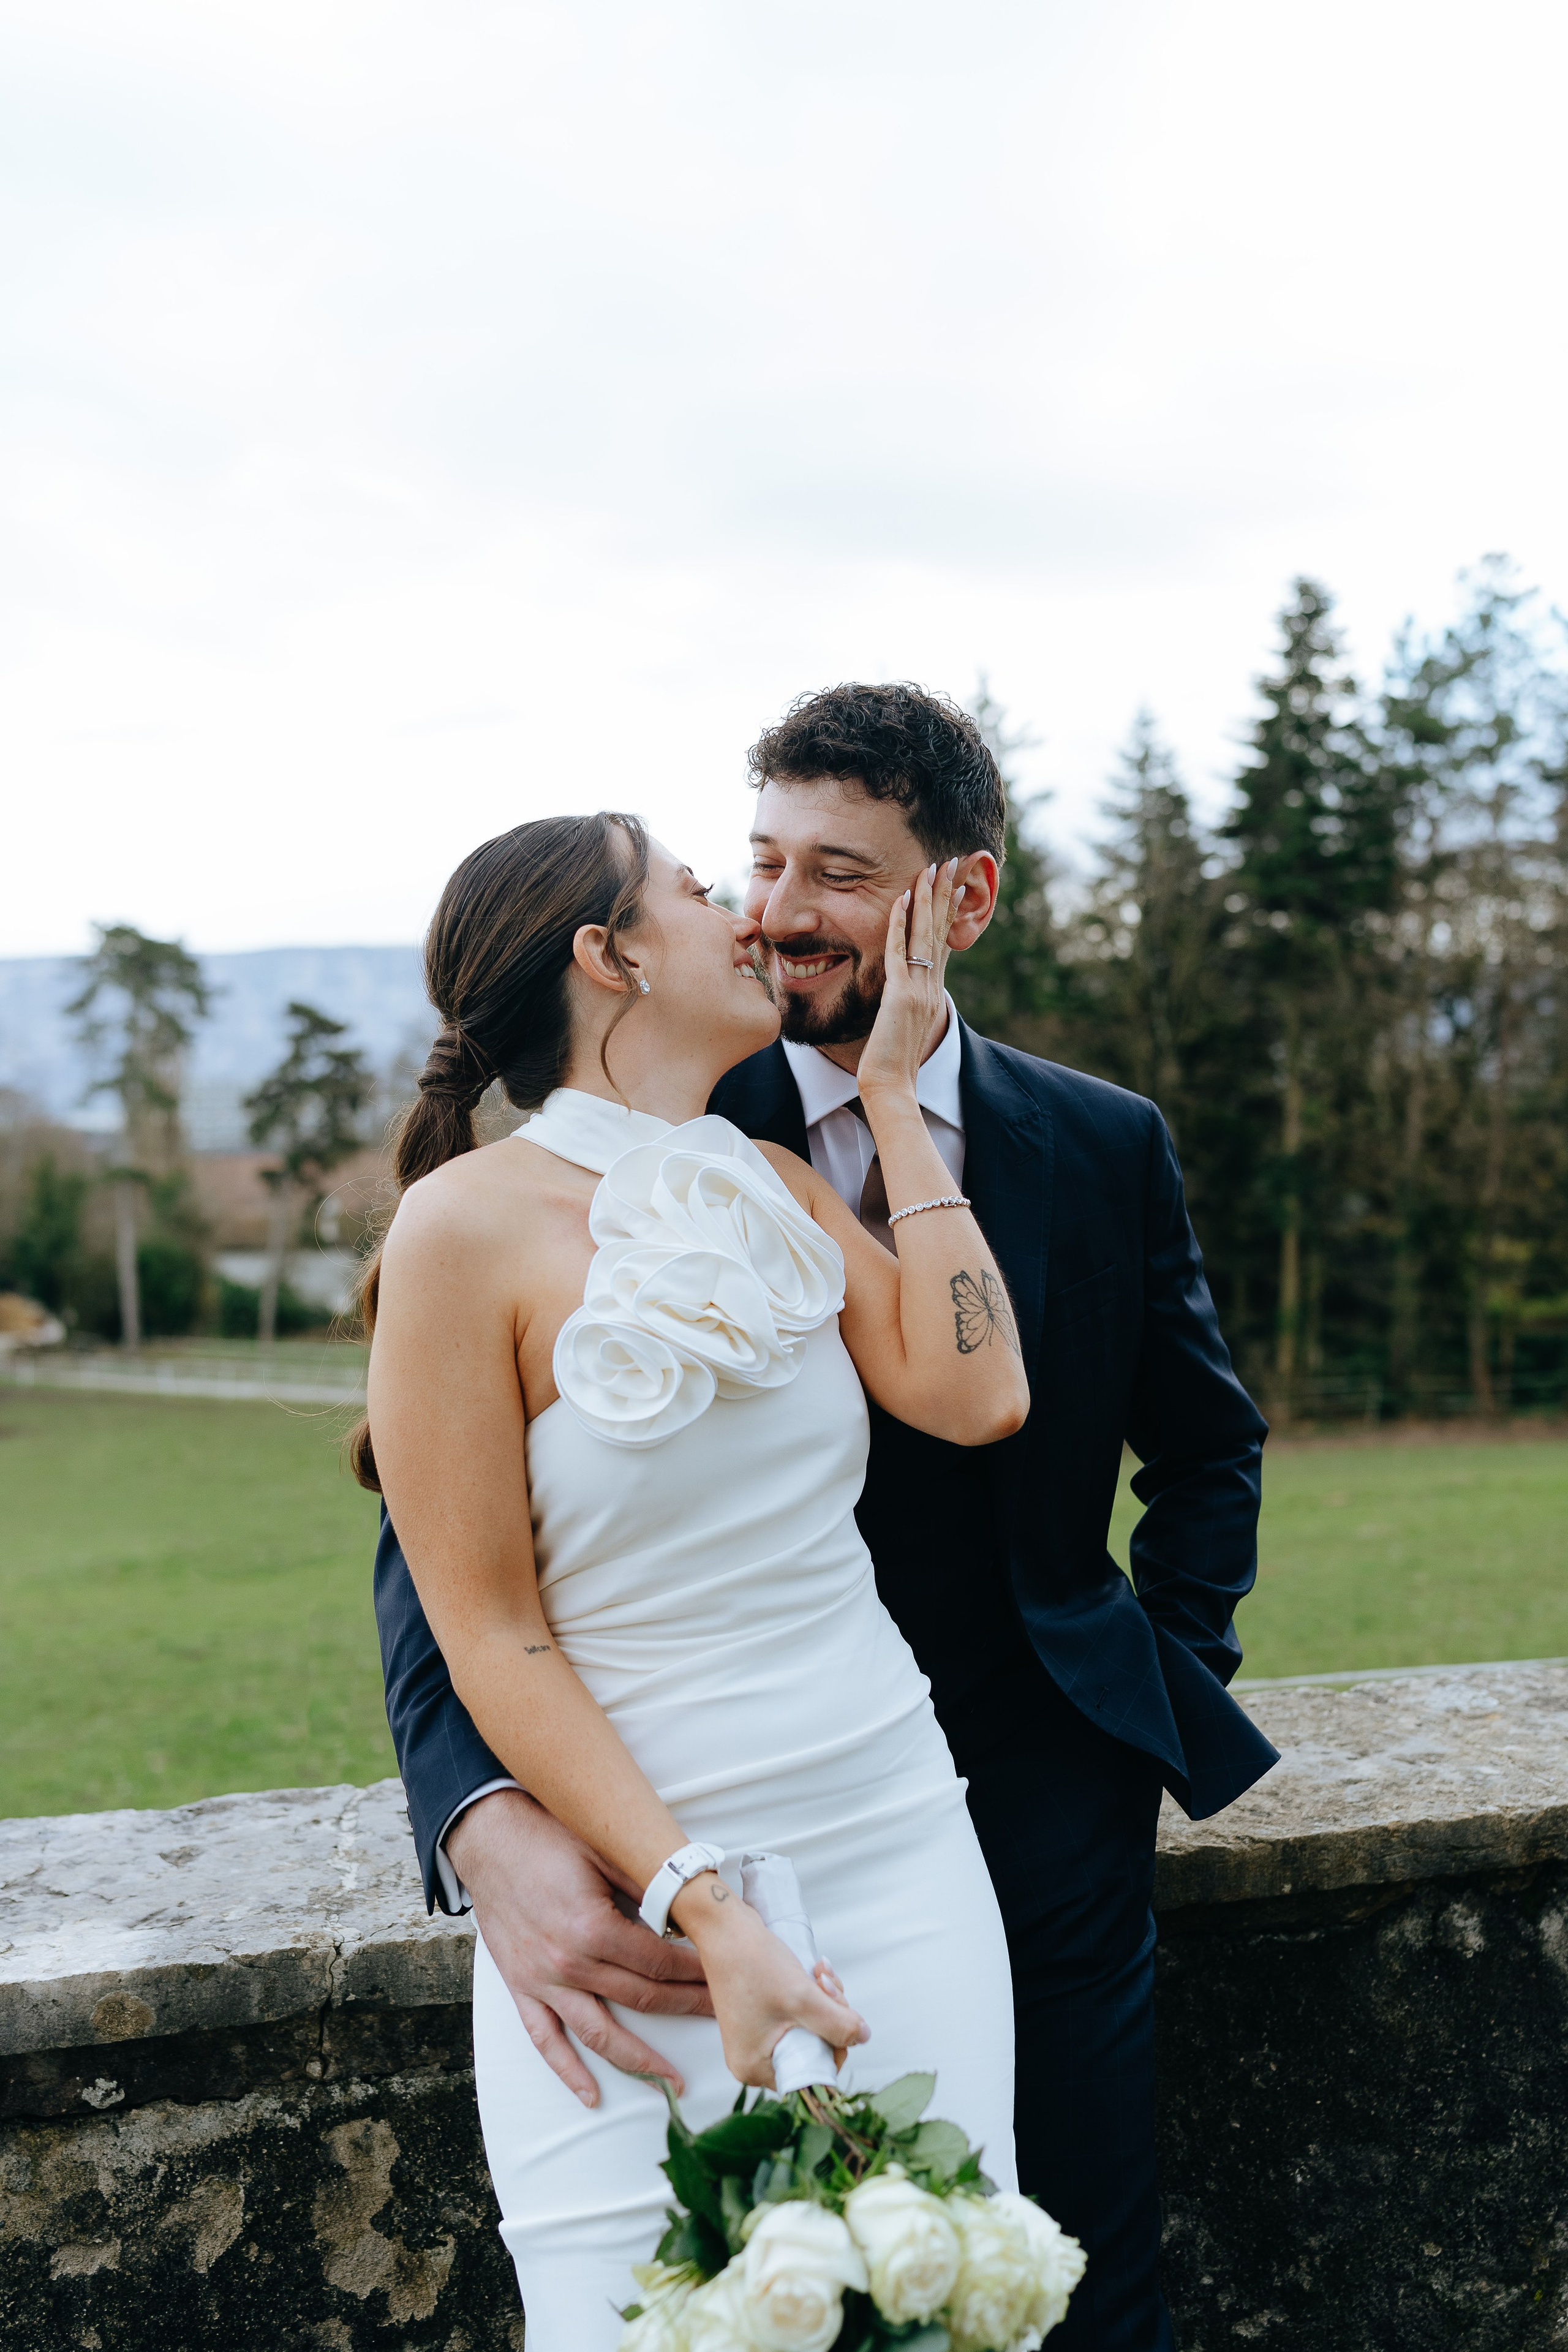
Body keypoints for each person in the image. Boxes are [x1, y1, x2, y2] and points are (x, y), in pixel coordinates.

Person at [374, 683, 1279, 2348]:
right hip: (651, 1823)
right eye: (748, 868)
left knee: (1050, 2278)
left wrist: (1146, 1698)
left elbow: (1186, 1443)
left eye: (833, 874)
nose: (774, 912)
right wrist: (478, 1816)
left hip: (997, 1791)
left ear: (962, 900)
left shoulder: (1076, 1143)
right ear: (611, 961)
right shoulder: (593, 1167)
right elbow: (448, 1574)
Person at [358, 805, 1032, 2347]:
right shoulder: (459, 1233)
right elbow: (488, 1633)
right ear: (608, 956)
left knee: (948, 2304)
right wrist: (704, 1906)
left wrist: (894, 1104)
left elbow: (976, 1392)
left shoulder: (775, 1187)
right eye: (698, 886)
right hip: (632, 1898)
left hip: (895, 1835)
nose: (746, 914)